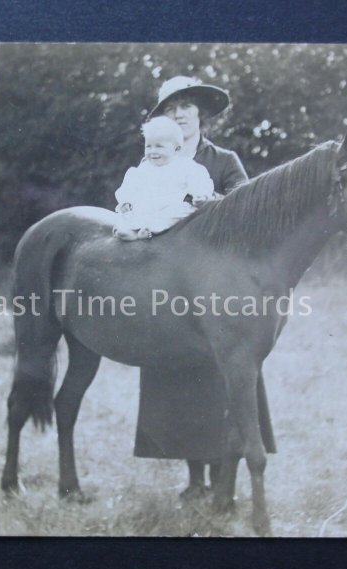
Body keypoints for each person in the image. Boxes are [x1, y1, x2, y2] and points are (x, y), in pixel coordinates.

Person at [133, 76, 276, 497]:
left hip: (219, 289)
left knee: (225, 377)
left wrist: (212, 204)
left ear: (200, 115)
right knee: (179, 381)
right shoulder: (153, 160)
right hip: (171, 284)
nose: (179, 114)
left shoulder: (224, 159)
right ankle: (194, 479)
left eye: (186, 107)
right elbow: (138, 204)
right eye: (170, 108)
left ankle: (222, 477)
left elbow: (248, 208)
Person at [113, 116, 214, 241]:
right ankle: (129, 230)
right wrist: (126, 201)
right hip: (146, 207)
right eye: (148, 146)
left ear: (176, 149)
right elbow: (129, 186)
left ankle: (150, 229)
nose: (153, 151)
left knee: (184, 210)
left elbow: (199, 181)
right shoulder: (143, 169)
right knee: (127, 214)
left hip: (170, 207)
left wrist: (201, 195)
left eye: (159, 147)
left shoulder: (186, 166)